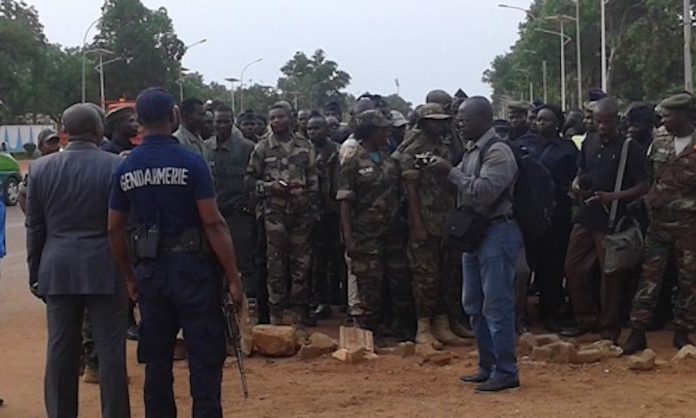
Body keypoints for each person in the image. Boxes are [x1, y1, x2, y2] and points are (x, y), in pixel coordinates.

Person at [108, 88, 244, 417]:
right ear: (174, 117)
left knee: (156, 359)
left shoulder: (126, 167)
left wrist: (129, 278)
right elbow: (212, 223)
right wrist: (233, 276)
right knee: (204, 357)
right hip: (193, 271)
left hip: (150, 272)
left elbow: (113, 228)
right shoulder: (191, 162)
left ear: (138, 121)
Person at [26, 103, 130, 418]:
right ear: (100, 131)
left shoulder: (40, 169)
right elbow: (126, 225)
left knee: (60, 349)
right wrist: (130, 272)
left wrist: (35, 274)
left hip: (57, 267)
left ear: (64, 133)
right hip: (106, 265)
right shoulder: (115, 167)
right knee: (111, 351)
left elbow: (35, 227)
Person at [431, 96, 521, 394]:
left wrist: (451, 172)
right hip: (476, 234)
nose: (459, 123)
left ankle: (506, 370)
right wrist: (441, 175)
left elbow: (484, 192)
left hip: (498, 231)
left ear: (483, 120)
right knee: (473, 304)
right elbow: (462, 192)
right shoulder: (472, 151)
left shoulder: (498, 152)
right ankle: (487, 365)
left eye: (464, 119)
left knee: (497, 304)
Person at [563, 97, 649, 342]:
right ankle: (585, 319)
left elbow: (643, 185)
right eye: (598, 121)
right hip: (585, 216)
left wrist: (613, 197)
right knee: (573, 267)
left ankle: (609, 327)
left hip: (612, 220)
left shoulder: (629, 148)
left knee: (610, 275)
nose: (601, 127)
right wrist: (577, 185)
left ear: (617, 121)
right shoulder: (589, 141)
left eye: (606, 122)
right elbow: (581, 171)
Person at [622, 93, 696, 354]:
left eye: (667, 116)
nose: (662, 121)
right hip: (659, 222)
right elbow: (650, 176)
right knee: (649, 278)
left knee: (689, 280)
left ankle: (683, 332)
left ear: (684, 115)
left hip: (690, 225)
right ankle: (637, 332)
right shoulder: (659, 141)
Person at [397, 103, 469, 348]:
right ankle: (424, 327)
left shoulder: (444, 147)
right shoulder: (412, 149)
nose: (440, 124)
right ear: (423, 122)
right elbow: (411, 189)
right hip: (425, 219)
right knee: (425, 276)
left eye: (443, 120)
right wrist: (417, 224)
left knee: (447, 274)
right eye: (434, 120)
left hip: (446, 218)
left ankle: (444, 323)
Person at [337, 110, 412, 343]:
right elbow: (345, 202)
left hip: (392, 231)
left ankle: (401, 329)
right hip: (365, 234)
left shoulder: (388, 157)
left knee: (399, 279)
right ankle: (370, 334)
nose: (386, 133)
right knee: (369, 284)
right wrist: (348, 237)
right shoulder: (352, 161)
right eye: (381, 129)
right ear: (369, 131)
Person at [247, 103, 320, 326]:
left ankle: (299, 314)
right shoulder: (262, 148)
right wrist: (270, 188)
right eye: (272, 117)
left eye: (280, 117)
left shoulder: (305, 146)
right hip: (274, 214)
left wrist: (313, 208)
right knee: (275, 264)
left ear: (290, 119)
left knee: (302, 264)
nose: (276, 121)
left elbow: (313, 180)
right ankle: (276, 315)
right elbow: (249, 181)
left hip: (301, 214)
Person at [519, 105, 579, 332]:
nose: (539, 123)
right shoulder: (523, 144)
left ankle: (550, 313)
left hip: (557, 215)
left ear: (557, 123)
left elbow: (575, 177)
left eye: (546, 120)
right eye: (538, 119)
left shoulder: (567, 148)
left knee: (552, 267)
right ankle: (521, 313)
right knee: (525, 268)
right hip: (528, 215)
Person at [205, 105, 258, 313]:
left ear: (232, 122)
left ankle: (247, 308)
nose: (221, 126)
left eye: (226, 121)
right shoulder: (205, 147)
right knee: (213, 261)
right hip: (212, 215)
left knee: (243, 260)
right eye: (218, 121)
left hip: (238, 215)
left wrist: (249, 206)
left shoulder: (247, 148)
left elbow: (255, 179)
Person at [306, 113, 343, 319]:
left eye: (317, 128)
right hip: (313, 213)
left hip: (336, 212)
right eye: (310, 128)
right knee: (316, 260)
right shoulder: (304, 151)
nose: (312, 132)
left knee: (338, 259)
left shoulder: (338, 152)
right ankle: (320, 301)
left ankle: (342, 301)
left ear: (327, 130)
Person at [18, 129, 61, 213]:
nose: (54, 146)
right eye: (50, 142)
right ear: (41, 146)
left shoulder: (64, 164)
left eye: (56, 142)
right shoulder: (36, 168)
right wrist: (31, 218)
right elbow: (22, 194)